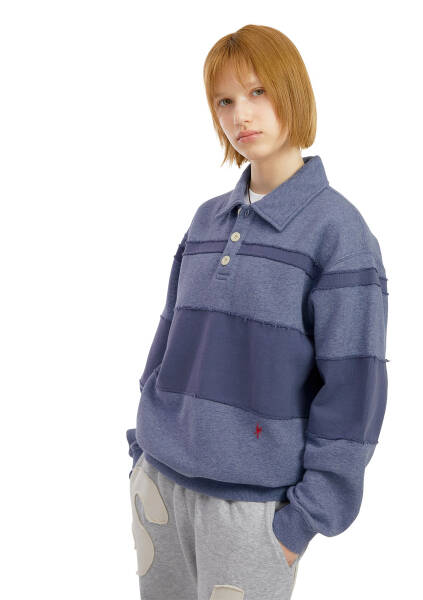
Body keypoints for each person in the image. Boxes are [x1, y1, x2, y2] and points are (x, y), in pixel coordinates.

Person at [126, 24, 389, 600]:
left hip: (253, 514)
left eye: (257, 92)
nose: (240, 115)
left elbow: (354, 389)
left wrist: (304, 520)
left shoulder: (339, 234)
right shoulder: (206, 219)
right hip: (160, 488)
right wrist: (142, 446)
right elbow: (169, 337)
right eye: (224, 101)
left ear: (293, 91)